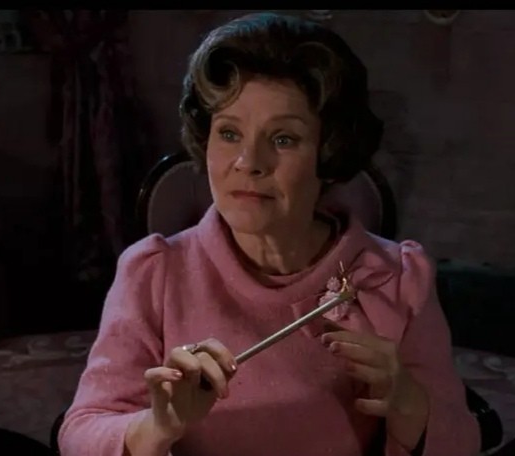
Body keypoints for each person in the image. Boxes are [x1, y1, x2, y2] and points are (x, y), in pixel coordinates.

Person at [58, 12, 480, 456]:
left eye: (283, 139)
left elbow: (463, 442)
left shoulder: (399, 277)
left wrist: (409, 405)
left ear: (330, 152)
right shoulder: (152, 273)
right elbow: (80, 432)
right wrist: (157, 426)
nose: (248, 162)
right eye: (229, 133)